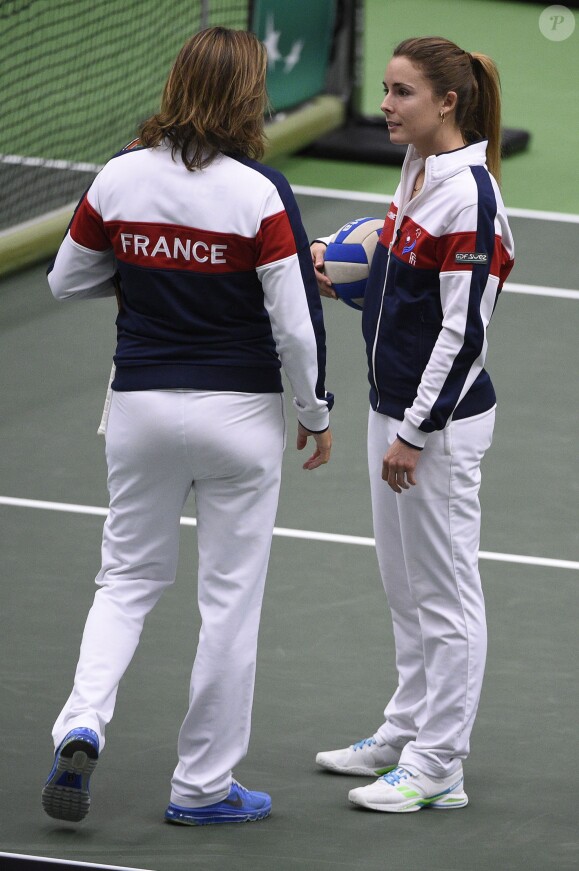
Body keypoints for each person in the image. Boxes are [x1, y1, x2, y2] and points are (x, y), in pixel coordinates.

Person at [43, 26, 333, 827]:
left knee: (127, 579)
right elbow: (297, 329)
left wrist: (145, 269)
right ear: (247, 95)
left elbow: (68, 279)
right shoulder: (261, 191)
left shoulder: (119, 176)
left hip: (138, 407)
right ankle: (202, 786)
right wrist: (316, 412)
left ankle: (81, 719)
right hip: (238, 416)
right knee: (229, 601)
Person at [311, 36, 514, 813]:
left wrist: (414, 433)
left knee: (446, 592)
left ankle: (441, 765)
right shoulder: (419, 169)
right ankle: (407, 725)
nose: (386, 106)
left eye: (401, 93)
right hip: (393, 406)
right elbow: (400, 276)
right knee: (405, 586)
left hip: (438, 426)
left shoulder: (472, 200)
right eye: (387, 90)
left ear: (447, 103)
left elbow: (464, 335)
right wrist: (342, 265)